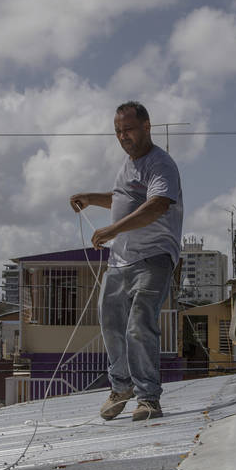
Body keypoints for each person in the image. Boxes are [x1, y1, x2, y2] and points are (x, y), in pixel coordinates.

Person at [69, 101, 183, 421]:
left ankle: (148, 398)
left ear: (147, 127)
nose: (123, 137)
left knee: (138, 325)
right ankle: (121, 387)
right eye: (118, 131)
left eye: (128, 130)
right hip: (120, 261)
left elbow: (157, 205)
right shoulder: (126, 165)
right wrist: (91, 199)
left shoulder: (161, 164)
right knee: (110, 323)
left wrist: (112, 230)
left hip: (154, 257)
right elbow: (121, 199)